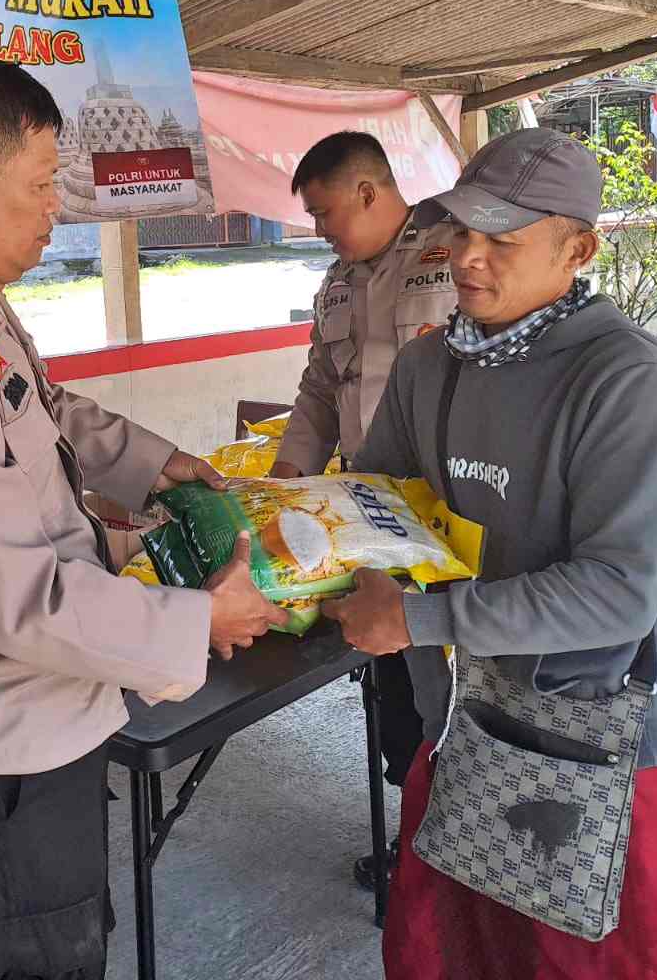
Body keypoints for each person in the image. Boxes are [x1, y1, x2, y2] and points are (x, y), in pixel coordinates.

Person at [0, 50, 286, 980]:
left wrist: (158, 467)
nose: (53, 210)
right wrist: (204, 619)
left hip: (39, 730)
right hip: (2, 759)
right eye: (37, 186)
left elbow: (49, 409)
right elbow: (20, 599)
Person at [321, 127, 657, 980]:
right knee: (447, 953)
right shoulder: (430, 367)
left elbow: (617, 594)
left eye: (503, 240)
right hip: (454, 726)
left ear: (579, 248)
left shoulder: (627, 381)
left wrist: (421, 617)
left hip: (582, 751)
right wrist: (305, 558)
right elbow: (378, 501)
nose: (467, 258)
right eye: (459, 232)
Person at [268, 131, 456, 890]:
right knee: (393, 688)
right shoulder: (338, 284)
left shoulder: (456, 258)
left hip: (449, 519)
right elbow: (319, 388)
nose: (319, 228)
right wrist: (287, 479)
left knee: (454, 685)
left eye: (323, 211)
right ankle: (415, 843)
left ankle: (459, 852)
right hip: (366, 519)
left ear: (370, 192)